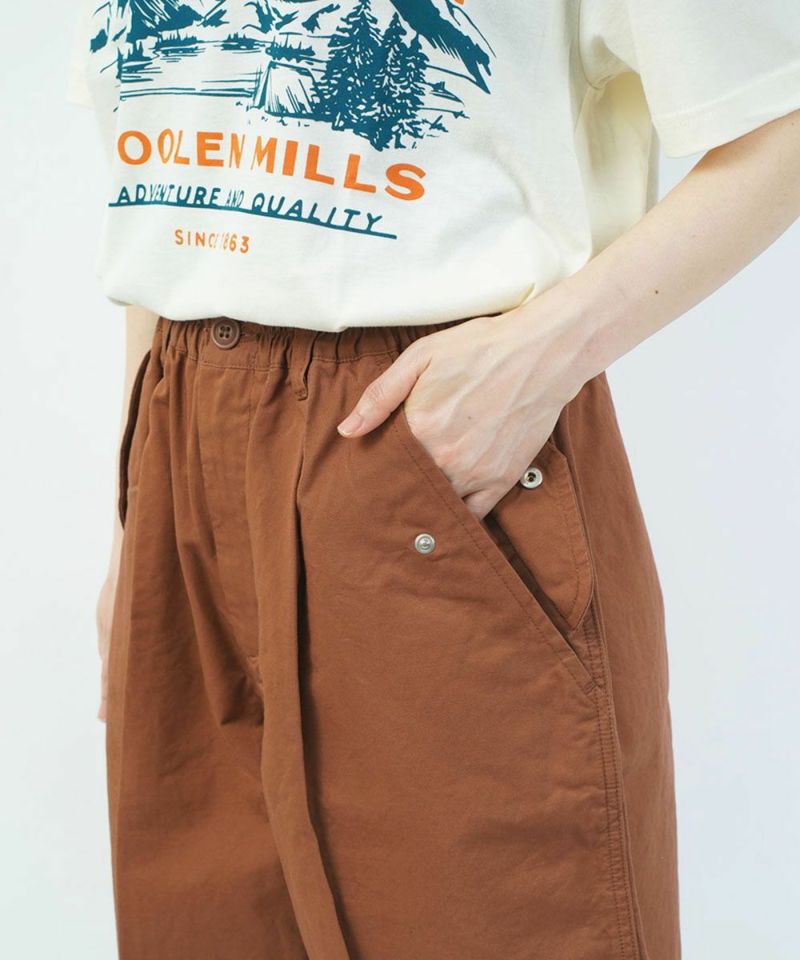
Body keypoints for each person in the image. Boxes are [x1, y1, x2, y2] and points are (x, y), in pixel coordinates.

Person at [67, 1, 800, 957]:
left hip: (427, 452)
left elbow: (780, 112)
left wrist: (548, 351)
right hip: (181, 448)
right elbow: (165, 208)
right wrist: (131, 524)